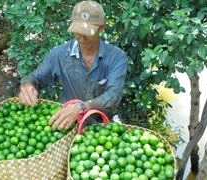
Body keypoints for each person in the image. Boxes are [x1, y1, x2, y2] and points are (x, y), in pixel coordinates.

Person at [19, 0, 127, 131]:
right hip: (69, 122)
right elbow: (35, 78)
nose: (81, 38)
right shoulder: (60, 54)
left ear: (101, 28)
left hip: (103, 123)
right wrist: (28, 84)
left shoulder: (117, 57)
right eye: (77, 31)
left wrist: (81, 107)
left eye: (87, 33)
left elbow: (113, 96)